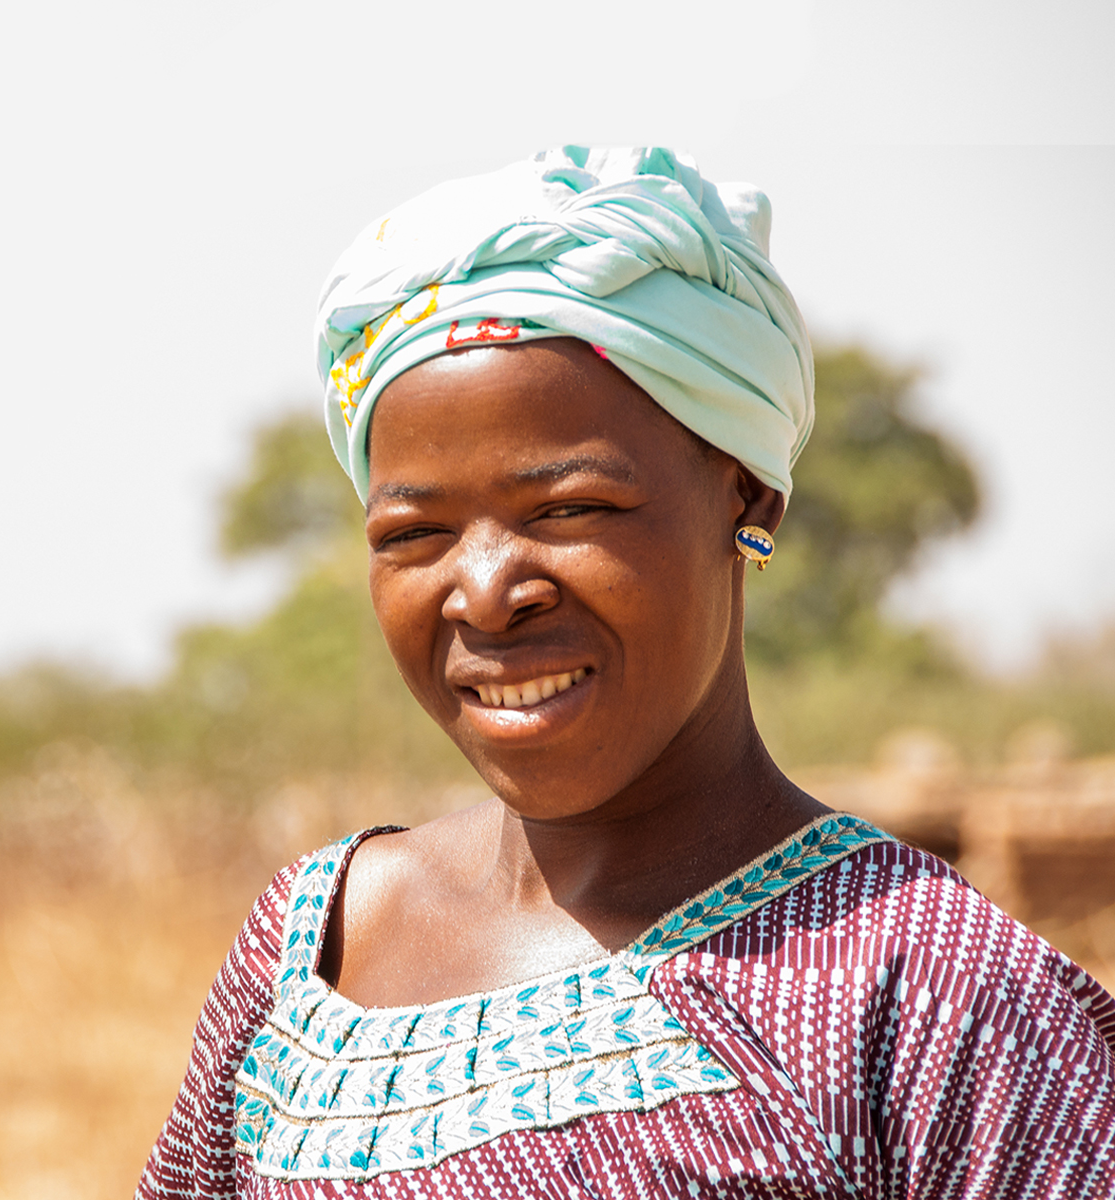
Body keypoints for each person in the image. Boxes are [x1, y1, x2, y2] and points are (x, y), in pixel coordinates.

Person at [137, 147, 1115, 1199]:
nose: (485, 591)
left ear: (748, 500)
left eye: (569, 512)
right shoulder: (315, 948)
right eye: (414, 534)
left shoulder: (930, 995)